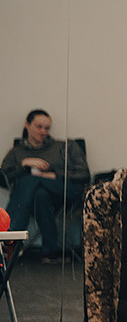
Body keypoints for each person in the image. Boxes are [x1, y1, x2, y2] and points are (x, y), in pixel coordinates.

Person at [1, 109, 90, 262]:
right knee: (39, 194)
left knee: (29, 180)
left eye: (47, 128)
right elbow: (3, 179)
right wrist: (23, 164)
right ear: (27, 125)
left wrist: (55, 174)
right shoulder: (17, 152)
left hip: (67, 191)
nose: (43, 131)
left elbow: (84, 175)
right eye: (39, 126)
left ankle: (8, 236)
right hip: (38, 195)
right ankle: (51, 251)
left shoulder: (65, 146)